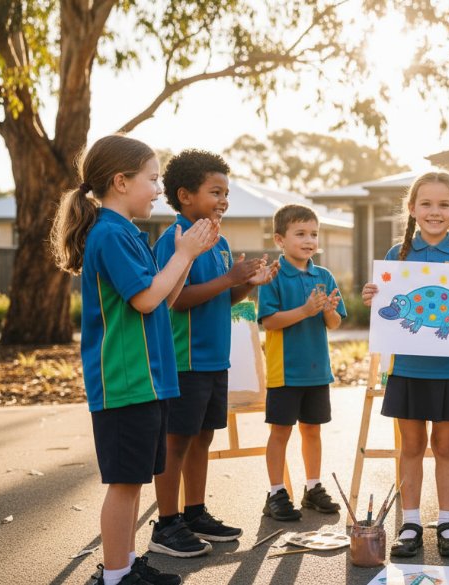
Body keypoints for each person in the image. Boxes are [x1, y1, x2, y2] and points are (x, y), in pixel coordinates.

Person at [51, 135, 218, 585]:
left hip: (146, 378)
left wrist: (187, 260)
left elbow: (163, 299)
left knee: (133, 479)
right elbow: (146, 300)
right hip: (126, 378)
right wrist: (183, 253)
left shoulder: (124, 231)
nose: (158, 188)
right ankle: (116, 577)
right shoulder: (109, 232)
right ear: (120, 182)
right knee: (125, 484)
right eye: (152, 178)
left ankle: (123, 566)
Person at [361, 171, 449, 558]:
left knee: (444, 446)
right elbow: (387, 306)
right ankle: (409, 522)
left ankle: (446, 521)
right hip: (406, 368)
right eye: (426, 203)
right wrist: (373, 294)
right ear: (412, 208)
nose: (434, 211)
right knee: (411, 445)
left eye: (444, 204)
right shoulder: (397, 255)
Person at [149, 150, 277, 557]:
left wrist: (248, 282)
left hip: (214, 359)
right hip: (185, 359)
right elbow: (177, 298)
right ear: (185, 195)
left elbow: (224, 296)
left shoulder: (218, 241)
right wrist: (228, 277)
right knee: (177, 441)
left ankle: (194, 512)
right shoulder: (175, 240)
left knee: (203, 437)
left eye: (226, 192)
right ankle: (166, 524)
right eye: (215, 191)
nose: (223, 200)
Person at [258, 204, 346, 522]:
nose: (309, 240)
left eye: (313, 234)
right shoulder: (274, 275)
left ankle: (312, 487)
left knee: (312, 430)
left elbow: (334, 323)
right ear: (280, 239)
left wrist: (325, 311)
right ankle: (276, 492)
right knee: (280, 431)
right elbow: (269, 321)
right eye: (300, 234)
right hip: (285, 372)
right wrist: (306, 311)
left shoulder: (323, 275)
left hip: (317, 370)